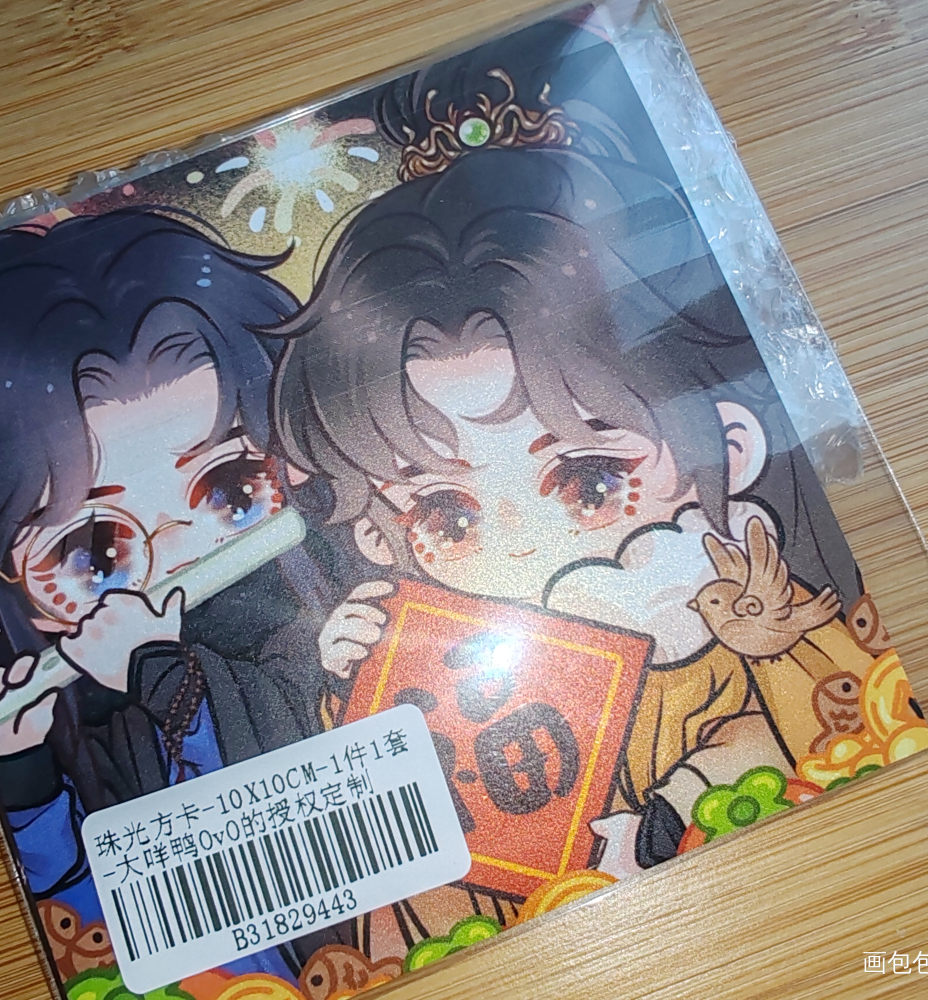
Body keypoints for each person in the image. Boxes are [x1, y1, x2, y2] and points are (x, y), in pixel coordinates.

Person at [266, 21, 888, 919]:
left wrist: (680, 801)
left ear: (730, 447)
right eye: (447, 515)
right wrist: (361, 694)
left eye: (589, 482)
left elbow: (819, 731)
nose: (523, 548)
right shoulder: (443, 668)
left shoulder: (738, 622)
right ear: (376, 532)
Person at [0, 208, 363, 980]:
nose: (184, 555)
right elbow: (89, 923)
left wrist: (164, 673)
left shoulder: (328, 620)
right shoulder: (71, 709)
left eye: (230, 489)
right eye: (93, 552)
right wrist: (22, 775)